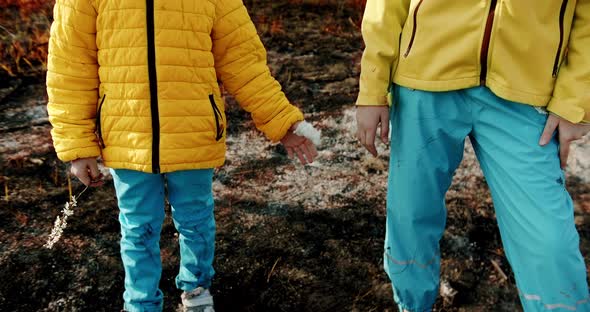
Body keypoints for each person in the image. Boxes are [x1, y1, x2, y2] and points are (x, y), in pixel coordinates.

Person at [46, 0, 318, 311]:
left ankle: (197, 290)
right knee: (137, 228)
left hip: (194, 133)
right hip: (127, 136)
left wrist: (281, 121)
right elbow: (70, 67)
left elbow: (243, 61)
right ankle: (140, 303)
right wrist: (78, 145)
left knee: (196, 222)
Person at [355, 0, 590, 311]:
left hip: (526, 94)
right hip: (424, 82)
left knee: (549, 240)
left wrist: (577, 100)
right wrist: (373, 86)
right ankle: (412, 306)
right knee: (410, 215)